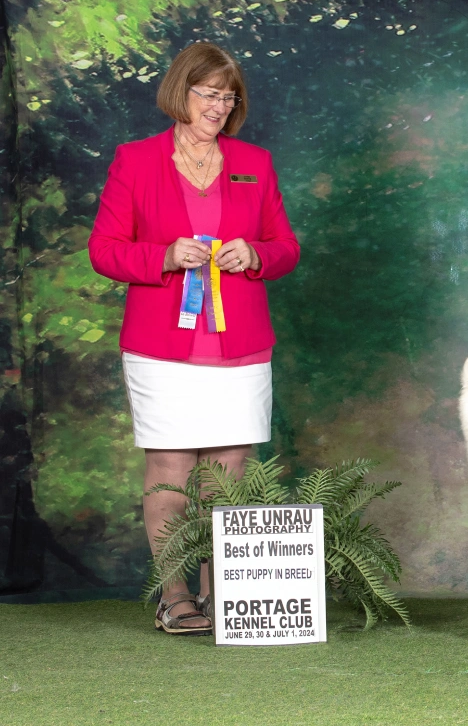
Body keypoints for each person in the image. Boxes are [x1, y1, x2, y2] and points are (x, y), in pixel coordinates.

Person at [89, 42, 300, 635]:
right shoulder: (135, 160)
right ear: (181, 93)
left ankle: (222, 594)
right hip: (162, 343)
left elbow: (287, 247)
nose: (219, 106)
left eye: (229, 96)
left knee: (229, 471)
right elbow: (103, 250)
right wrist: (163, 256)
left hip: (241, 342)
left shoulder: (254, 162)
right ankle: (175, 595)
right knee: (171, 465)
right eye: (208, 93)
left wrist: (255, 252)